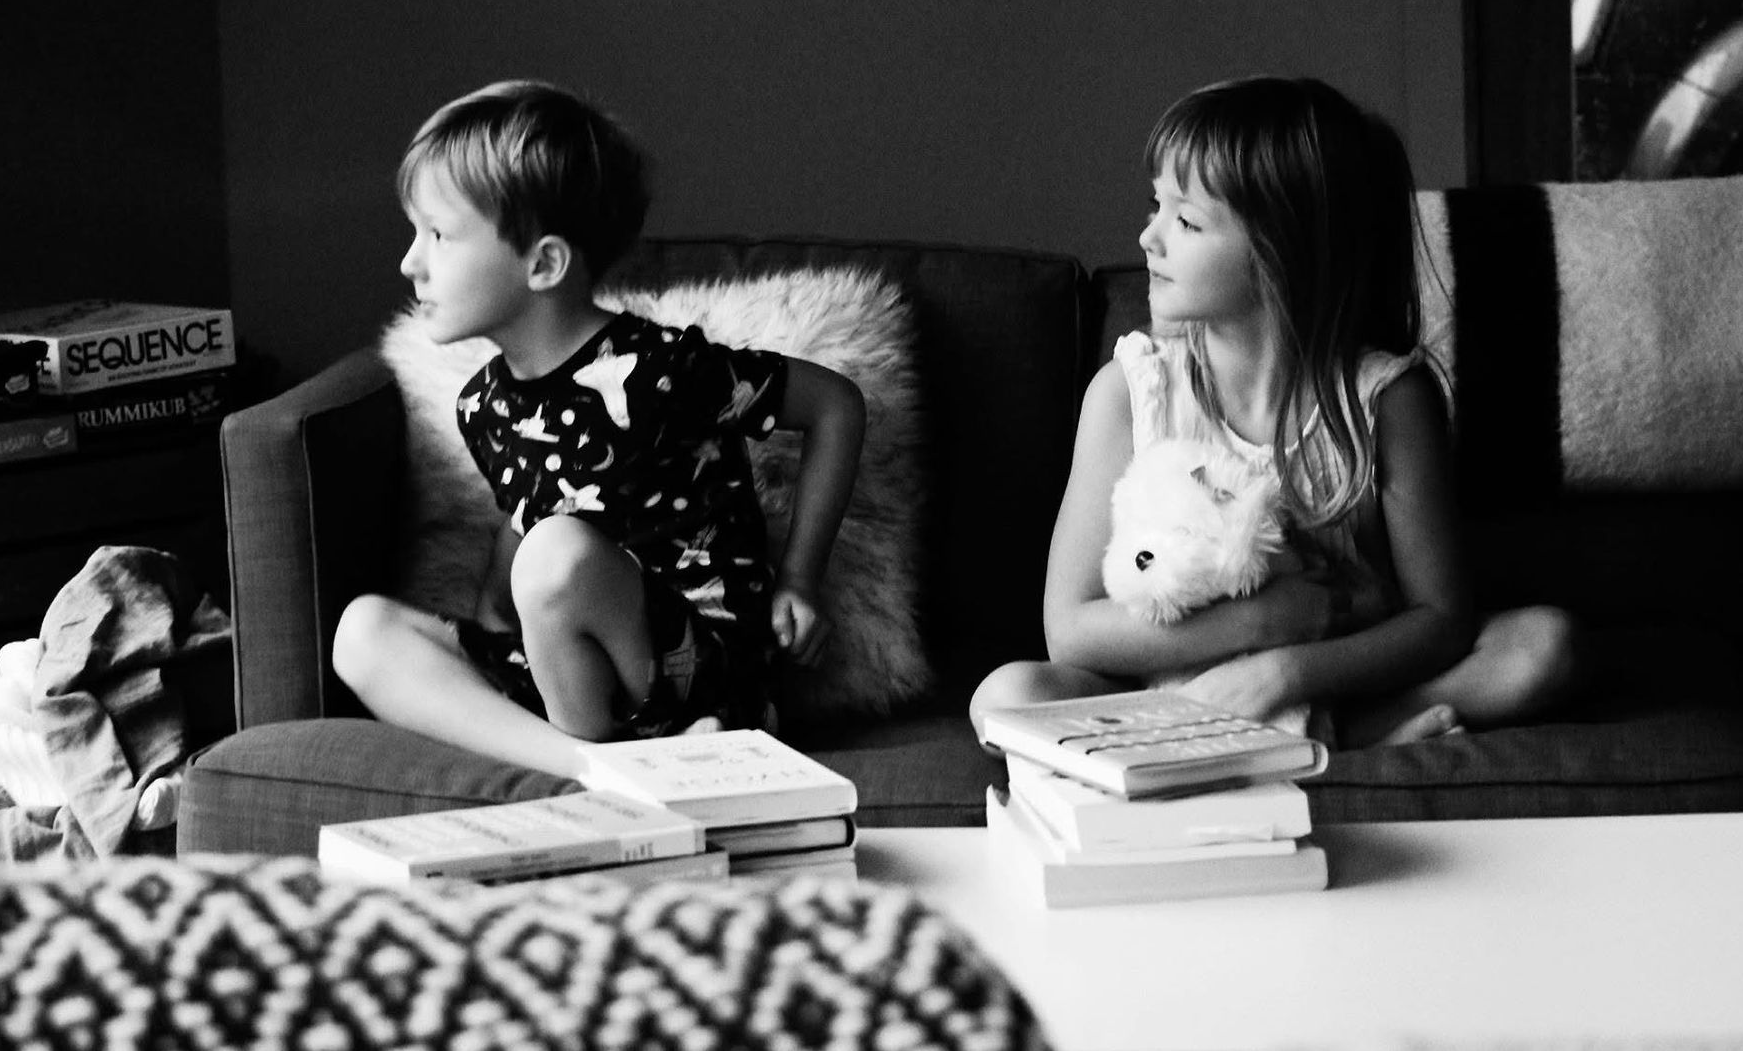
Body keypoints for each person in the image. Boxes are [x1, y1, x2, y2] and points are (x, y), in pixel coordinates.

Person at [970, 76, 1578, 748]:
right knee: (1006, 696)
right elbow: (1070, 629)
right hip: (1168, 693)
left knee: (1543, 646)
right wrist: (1264, 624)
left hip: (1334, 681)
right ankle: (1317, 739)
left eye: (1187, 220)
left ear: (1279, 254)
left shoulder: (1388, 398)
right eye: (1156, 206)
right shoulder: (1130, 390)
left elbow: (1441, 617)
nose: (1148, 237)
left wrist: (1286, 673)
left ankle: (1328, 728)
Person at [333, 80, 866, 778]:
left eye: (438, 234)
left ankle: (689, 737)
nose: (411, 262)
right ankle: (593, 766)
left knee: (556, 553)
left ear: (545, 262)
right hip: (571, 675)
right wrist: (495, 632)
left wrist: (800, 577)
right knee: (361, 631)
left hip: (690, 661)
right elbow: (525, 526)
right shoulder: (481, 406)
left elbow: (836, 406)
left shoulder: (663, 369)